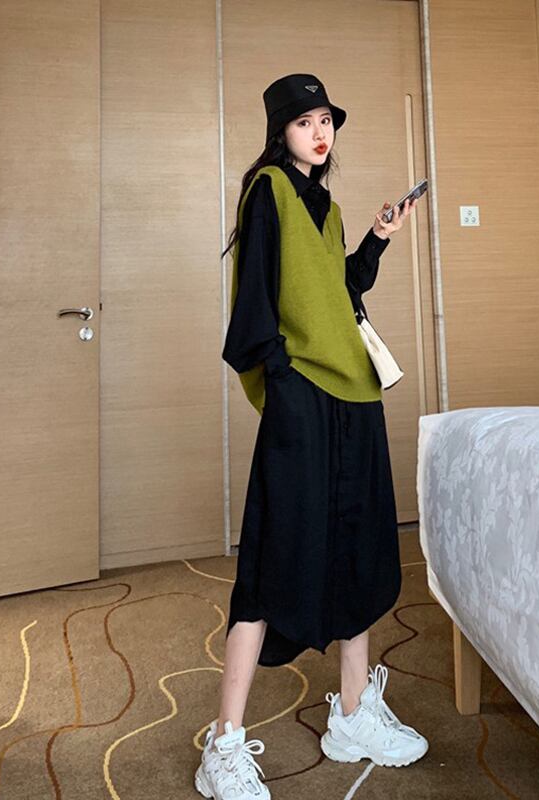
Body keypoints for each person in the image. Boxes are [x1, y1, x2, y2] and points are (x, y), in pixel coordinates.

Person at [194, 73, 427, 800]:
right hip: (304, 394)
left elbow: (339, 290)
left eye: (326, 120)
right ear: (281, 132)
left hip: (355, 394)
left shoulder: (327, 206)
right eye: (304, 122)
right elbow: (257, 298)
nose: (319, 133)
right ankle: (223, 745)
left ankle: (353, 715)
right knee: (274, 553)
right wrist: (282, 381)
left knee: (357, 544)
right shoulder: (268, 190)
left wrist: (378, 238)